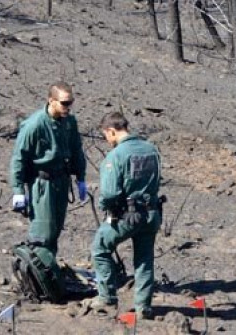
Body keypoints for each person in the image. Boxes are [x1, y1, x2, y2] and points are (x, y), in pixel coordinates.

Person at [91, 112, 162, 319]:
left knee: (100, 248)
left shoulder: (116, 156)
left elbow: (110, 193)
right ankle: (143, 307)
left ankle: (106, 297)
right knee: (144, 259)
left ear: (111, 131)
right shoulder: (151, 150)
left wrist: (105, 206)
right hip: (151, 214)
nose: (107, 140)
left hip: (127, 216)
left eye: (107, 136)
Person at [9, 82, 87, 256]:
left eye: (71, 102)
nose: (68, 107)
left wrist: (80, 178)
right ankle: (36, 273)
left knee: (55, 230)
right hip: (42, 183)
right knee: (42, 232)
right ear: (51, 101)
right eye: (64, 103)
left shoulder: (69, 122)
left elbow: (76, 150)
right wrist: (18, 190)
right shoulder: (34, 125)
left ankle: (49, 271)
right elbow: (19, 158)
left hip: (62, 180)